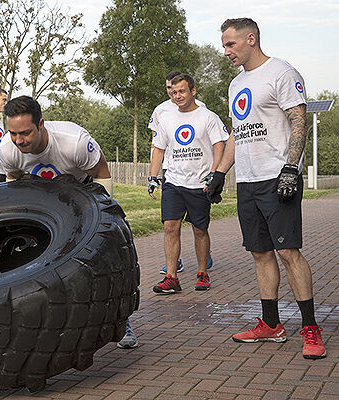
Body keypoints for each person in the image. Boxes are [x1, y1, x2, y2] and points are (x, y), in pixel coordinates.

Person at [206, 17, 325, 359]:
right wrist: (219, 173)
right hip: (247, 180)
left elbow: (298, 121)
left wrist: (291, 168)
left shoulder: (282, 73)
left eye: (230, 44)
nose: (226, 51)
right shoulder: (235, 85)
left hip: (277, 176)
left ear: (251, 39)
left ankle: (310, 328)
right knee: (260, 253)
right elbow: (236, 133)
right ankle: (271, 325)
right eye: (224, 45)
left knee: (288, 252)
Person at [0, 95, 138, 349]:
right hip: (44, 205)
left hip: (85, 198)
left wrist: (102, 224)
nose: (19, 141)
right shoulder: (8, 150)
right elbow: (13, 180)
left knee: (107, 257)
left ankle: (122, 320)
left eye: (25, 133)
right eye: (13, 133)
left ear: (41, 124)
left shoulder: (74, 143)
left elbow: (101, 174)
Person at [148, 74, 228, 294]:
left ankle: (202, 273)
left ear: (193, 91)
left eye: (182, 91)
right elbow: (159, 149)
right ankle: (171, 278)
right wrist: (153, 176)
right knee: (170, 227)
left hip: (199, 182)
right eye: (173, 92)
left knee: (200, 229)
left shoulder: (208, 117)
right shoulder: (166, 119)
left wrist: (214, 174)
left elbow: (219, 145)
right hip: (173, 181)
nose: (177, 96)